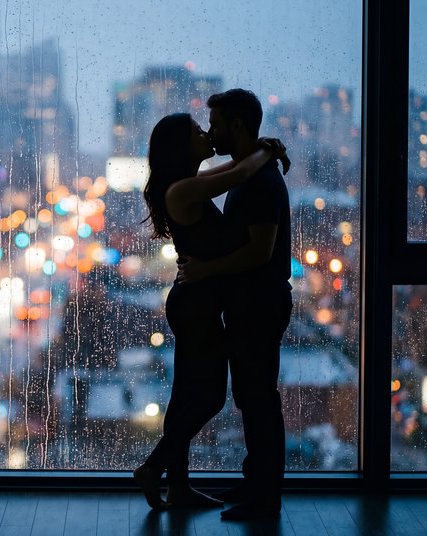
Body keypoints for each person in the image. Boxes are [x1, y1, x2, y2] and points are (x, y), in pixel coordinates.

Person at [133, 111, 289, 510]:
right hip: (196, 308)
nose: (206, 133)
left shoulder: (190, 184)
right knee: (210, 398)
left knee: (186, 395)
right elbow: (240, 173)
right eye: (197, 131)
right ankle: (153, 467)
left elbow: (234, 170)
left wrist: (261, 150)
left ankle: (179, 487)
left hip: (195, 303)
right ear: (181, 147)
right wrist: (267, 150)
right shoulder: (182, 191)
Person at [179, 89, 293, 521]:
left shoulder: (259, 183)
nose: (211, 132)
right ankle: (256, 483)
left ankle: (265, 497)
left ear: (238, 126)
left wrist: (206, 270)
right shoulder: (251, 173)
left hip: (259, 304)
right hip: (252, 303)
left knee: (259, 399)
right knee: (253, 397)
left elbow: (260, 252)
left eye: (216, 124)